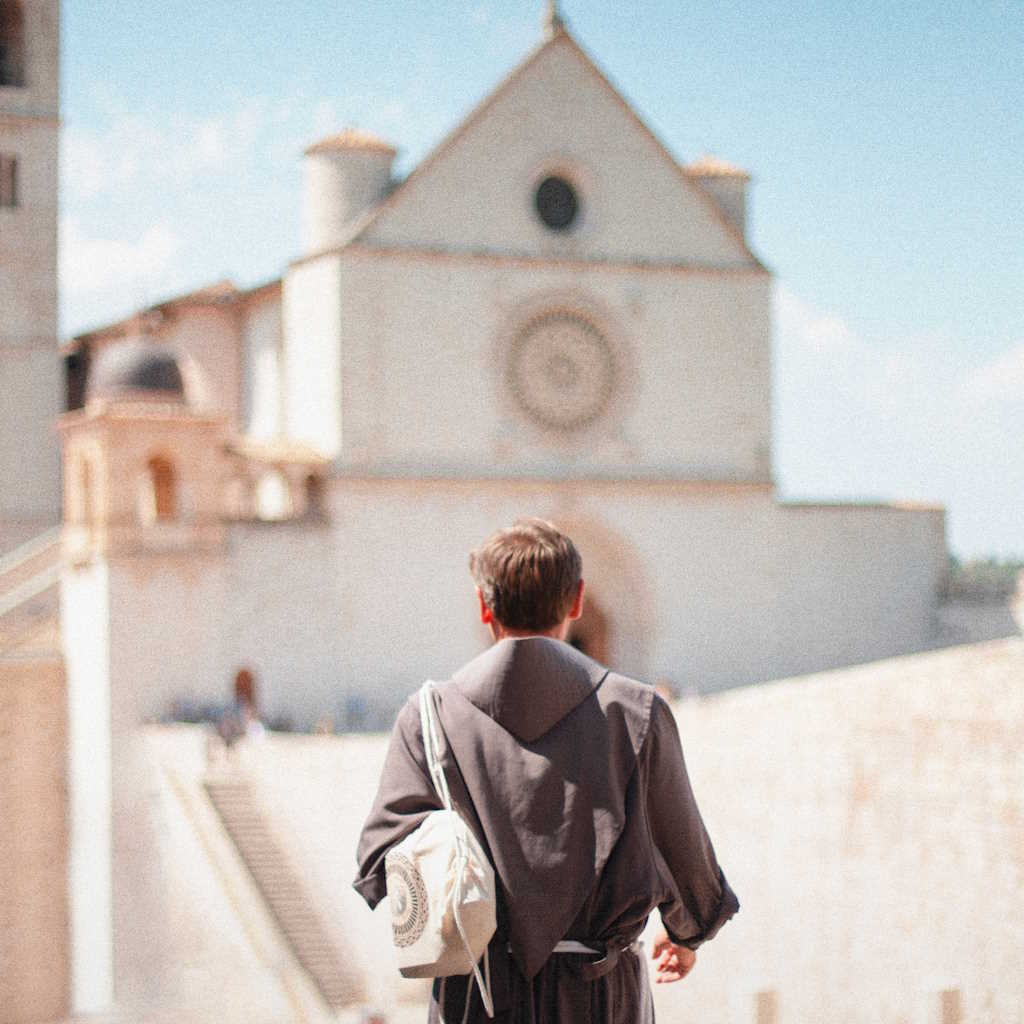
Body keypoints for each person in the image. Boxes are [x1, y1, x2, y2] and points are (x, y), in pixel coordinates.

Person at [354, 518, 738, 1023]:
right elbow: (691, 868)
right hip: (601, 1001)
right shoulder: (636, 713)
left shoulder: (427, 717)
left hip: (477, 999)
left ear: (484, 605)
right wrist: (687, 932)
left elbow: (380, 861)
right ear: (577, 600)